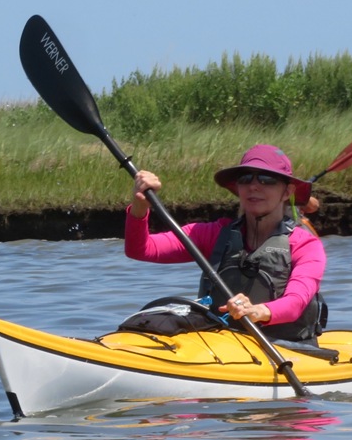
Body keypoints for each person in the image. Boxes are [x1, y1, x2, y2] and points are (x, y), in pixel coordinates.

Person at [124, 144, 328, 345]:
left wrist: (258, 311)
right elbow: (141, 249)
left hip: (286, 347)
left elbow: (295, 303)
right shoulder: (213, 234)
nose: (253, 186)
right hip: (224, 344)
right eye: (245, 178)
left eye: (267, 179)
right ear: (238, 187)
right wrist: (140, 207)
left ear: (287, 192)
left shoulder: (306, 245)